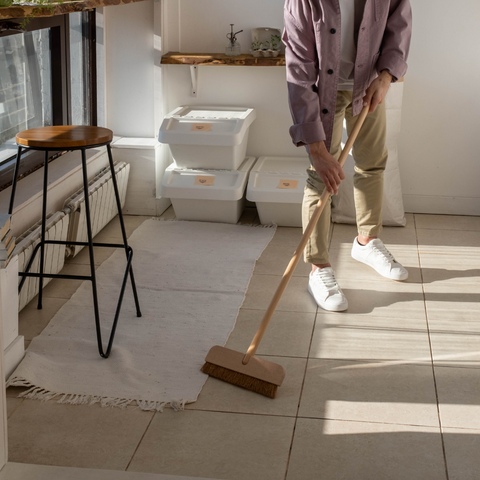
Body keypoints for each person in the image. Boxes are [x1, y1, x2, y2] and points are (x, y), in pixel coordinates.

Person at [282, 0, 413, 311]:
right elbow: (298, 72)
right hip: (321, 92)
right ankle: (319, 268)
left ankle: (366, 242)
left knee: (372, 163)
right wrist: (316, 149)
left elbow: (399, 25)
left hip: (368, 85)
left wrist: (385, 78)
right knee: (322, 175)